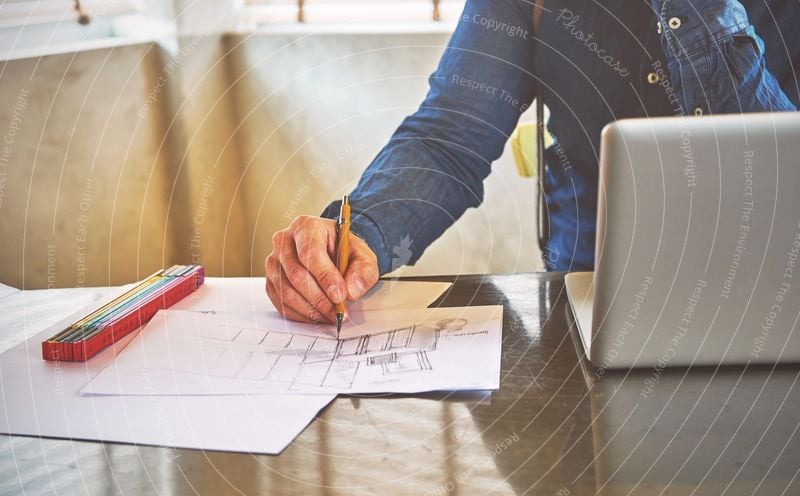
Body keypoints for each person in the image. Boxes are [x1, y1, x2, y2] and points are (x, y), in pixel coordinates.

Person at [265, 0, 799, 323]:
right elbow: (451, 137)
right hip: (587, 308)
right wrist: (363, 233)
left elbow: (780, 176)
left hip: (778, 302)